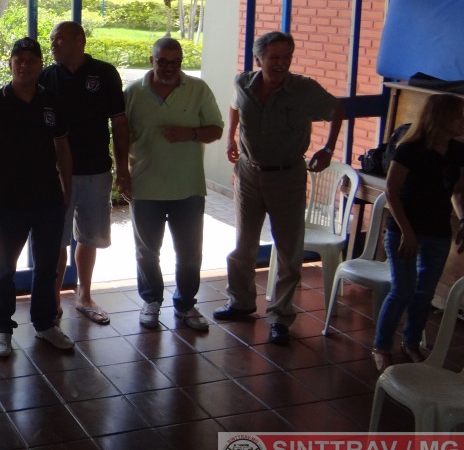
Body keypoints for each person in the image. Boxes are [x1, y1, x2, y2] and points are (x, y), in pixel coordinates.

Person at [214, 31, 344, 345]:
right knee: (244, 245)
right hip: (249, 174)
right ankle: (241, 302)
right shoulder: (243, 83)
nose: (281, 63)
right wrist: (231, 138)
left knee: (288, 250)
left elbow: (337, 109)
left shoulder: (304, 89)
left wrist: (328, 149)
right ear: (259, 59)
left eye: (287, 57)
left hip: (287, 176)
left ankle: (280, 317)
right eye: (274, 57)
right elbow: (234, 107)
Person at [0, 36, 75, 357]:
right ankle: (2, 329)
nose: (24, 66)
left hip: (48, 199)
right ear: (10, 64)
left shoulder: (52, 101)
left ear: (40, 65)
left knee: (47, 267)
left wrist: (67, 190)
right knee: (4, 268)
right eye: (18, 61)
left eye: (30, 61)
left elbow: (62, 148)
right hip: (8, 202)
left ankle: (45, 324)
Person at [119, 37, 223, 331]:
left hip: (188, 187)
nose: (169, 68)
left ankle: (186, 304)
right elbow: (120, 135)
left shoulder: (198, 89)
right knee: (147, 251)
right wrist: (121, 172)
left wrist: (190, 134)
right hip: (145, 186)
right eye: (162, 62)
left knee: (189, 253)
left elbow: (216, 129)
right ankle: (151, 300)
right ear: (151, 60)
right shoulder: (133, 93)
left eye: (175, 62)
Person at [40, 21, 125, 325]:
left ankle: (84, 295)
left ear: (80, 40)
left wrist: (123, 169)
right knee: (57, 240)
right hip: (56, 174)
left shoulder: (104, 73)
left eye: (59, 39)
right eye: (52, 39)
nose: (52, 44)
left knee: (89, 237)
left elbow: (119, 123)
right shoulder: (46, 77)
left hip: (96, 170)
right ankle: (52, 300)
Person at [371, 94, 464, 372]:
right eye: (459, 115)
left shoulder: (458, 151)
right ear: (441, 117)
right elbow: (392, 190)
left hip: (438, 231)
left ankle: (411, 343)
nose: (463, 121)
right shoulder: (409, 149)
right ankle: (381, 346)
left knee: (424, 293)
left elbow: (457, 190)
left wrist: (463, 219)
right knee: (402, 290)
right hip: (404, 229)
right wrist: (407, 232)